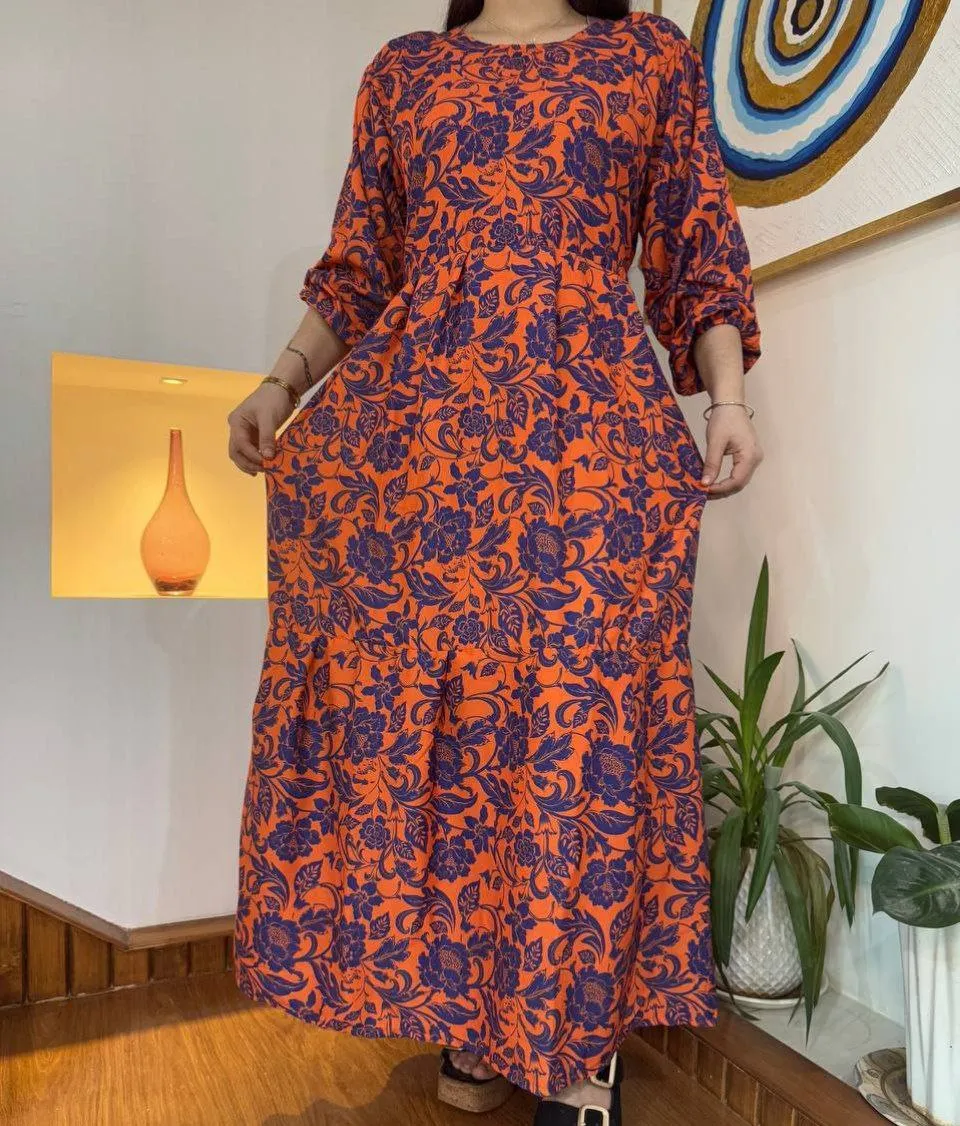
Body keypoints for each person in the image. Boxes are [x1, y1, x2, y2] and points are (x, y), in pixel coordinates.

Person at [229, 1, 762, 1122]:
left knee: (576, 717)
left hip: (589, 437)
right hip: (430, 443)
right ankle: (474, 1018)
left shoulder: (648, 56)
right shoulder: (405, 72)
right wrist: (282, 385)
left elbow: (696, 249)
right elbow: (359, 270)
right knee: (463, 722)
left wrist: (727, 398)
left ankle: (577, 1044)